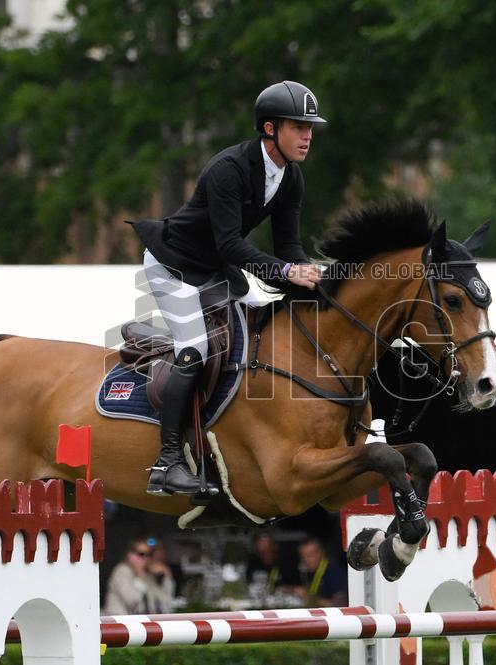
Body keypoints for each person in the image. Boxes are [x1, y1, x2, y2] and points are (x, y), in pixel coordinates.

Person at [130, 81, 326, 496]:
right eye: (298, 126)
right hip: (175, 267)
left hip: (217, 271)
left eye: (310, 127)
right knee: (195, 350)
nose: (307, 136)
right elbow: (230, 244)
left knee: (263, 328)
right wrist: (287, 271)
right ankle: (166, 463)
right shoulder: (229, 169)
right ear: (270, 128)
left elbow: (288, 246)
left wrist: (305, 273)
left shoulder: (291, 178)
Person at [103, 538, 175, 615]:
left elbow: (165, 601)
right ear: (129, 555)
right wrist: (139, 575)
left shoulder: (147, 574)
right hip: (117, 621)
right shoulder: (122, 570)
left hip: (137, 621)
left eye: (149, 554)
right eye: (141, 554)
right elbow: (133, 601)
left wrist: (167, 576)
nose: (145, 558)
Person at [293, 537, 347, 607]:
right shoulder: (307, 573)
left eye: (311, 555)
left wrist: (308, 597)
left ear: (322, 553)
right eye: (303, 556)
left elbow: (340, 606)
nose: (306, 560)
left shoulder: (334, 573)